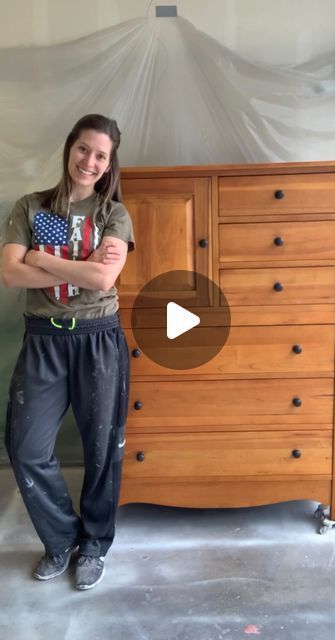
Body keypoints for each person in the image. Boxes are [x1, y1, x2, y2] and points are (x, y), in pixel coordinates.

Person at [1, 113, 134, 590]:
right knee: (25, 446)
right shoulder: (31, 207)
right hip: (44, 338)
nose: (90, 161)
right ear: (69, 149)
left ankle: (95, 546)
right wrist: (75, 266)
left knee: (102, 450)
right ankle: (62, 539)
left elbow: (103, 280)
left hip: (98, 338)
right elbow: (11, 275)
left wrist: (38, 257)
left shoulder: (113, 214)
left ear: (109, 162)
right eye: (84, 149)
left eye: (101, 155)